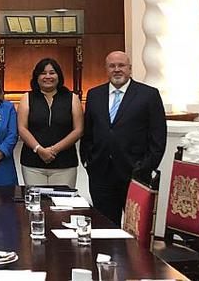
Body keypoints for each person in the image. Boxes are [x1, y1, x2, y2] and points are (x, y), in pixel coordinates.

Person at [80, 51, 167, 225]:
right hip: (100, 174)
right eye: (112, 66)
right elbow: (88, 133)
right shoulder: (94, 95)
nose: (117, 69)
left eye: (121, 65)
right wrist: (88, 161)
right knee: (105, 227)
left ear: (130, 68)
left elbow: (158, 137)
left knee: (136, 227)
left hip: (134, 174)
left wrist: (144, 168)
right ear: (106, 69)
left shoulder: (148, 95)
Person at [18, 58, 83, 188]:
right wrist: (39, 150)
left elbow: (78, 130)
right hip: (33, 163)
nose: (48, 76)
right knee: (36, 205)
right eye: (43, 73)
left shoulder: (72, 98)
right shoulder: (27, 98)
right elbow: (22, 128)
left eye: (52, 73)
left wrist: (53, 150)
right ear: (37, 77)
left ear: (59, 76)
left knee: (63, 205)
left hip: (64, 163)